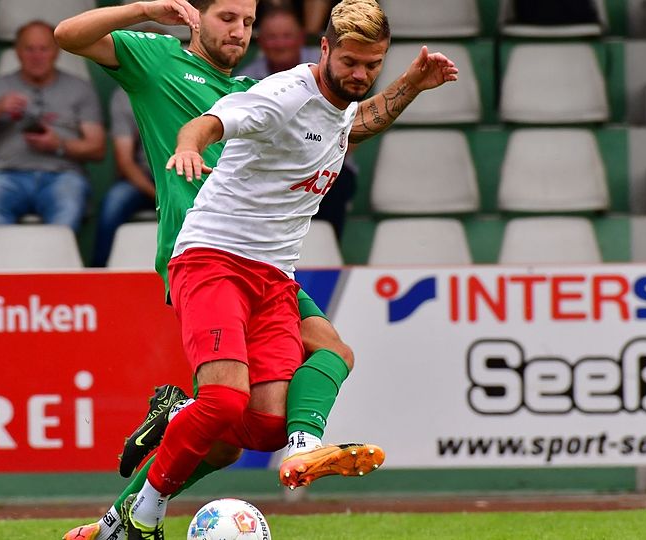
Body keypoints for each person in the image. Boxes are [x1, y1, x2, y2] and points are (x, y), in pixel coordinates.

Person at [54, 0, 453, 537]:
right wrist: (186, 140)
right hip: (210, 250)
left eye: (247, 21)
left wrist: (410, 85)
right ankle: (150, 497)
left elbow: (349, 124)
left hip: (271, 265)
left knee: (248, 428)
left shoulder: (267, 89)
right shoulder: (172, 66)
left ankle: (123, 514)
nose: (239, 31)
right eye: (227, 17)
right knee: (224, 402)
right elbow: (74, 38)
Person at [0, 21, 105, 234]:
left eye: (44, 49)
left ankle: (54, 256)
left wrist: (59, 144)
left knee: (69, 205)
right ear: (17, 52)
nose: (37, 56)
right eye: (29, 49)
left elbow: (98, 149)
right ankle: (6, 256)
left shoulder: (80, 88)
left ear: (56, 52)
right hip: (5, 175)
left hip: (62, 175)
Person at [239, 6, 356, 240]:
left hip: (329, 162)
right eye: (272, 37)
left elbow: (352, 124)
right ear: (260, 41)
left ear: (301, 37)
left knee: (337, 181)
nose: (280, 44)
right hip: (270, 166)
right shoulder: (247, 80)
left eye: (287, 35)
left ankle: (325, 250)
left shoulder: (330, 68)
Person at [92, 88, 156, 267]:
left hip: (185, 175)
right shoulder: (126, 93)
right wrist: (159, 196)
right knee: (115, 201)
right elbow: (125, 162)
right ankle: (100, 271)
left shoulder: (188, 85)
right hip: (144, 177)